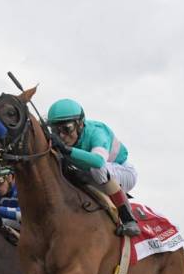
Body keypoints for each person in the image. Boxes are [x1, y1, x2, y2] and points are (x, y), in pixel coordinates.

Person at [47, 99, 140, 236]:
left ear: (80, 124)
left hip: (124, 172)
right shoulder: (67, 136)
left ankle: (128, 219)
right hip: (93, 173)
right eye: (55, 130)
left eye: (66, 129)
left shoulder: (97, 132)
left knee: (96, 168)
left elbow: (98, 162)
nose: (61, 136)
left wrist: (66, 150)